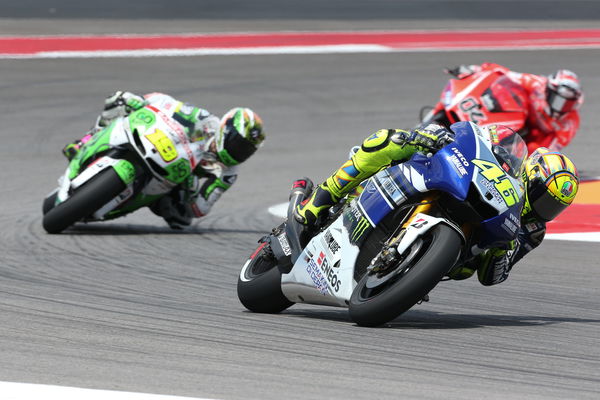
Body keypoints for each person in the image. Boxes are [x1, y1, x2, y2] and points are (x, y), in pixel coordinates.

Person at [294, 123, 579, 286]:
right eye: (544, 196)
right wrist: (437, 135)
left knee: (466, 268)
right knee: (389, 140)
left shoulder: (533, 230)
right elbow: (478, 139)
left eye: (555, 206)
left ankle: (411, 271)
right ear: (528, 177)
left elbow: (493, 278)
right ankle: (319, 201)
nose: (546, 209)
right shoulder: (507, 161)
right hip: (460, 190)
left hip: (462, 254)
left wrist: (504, 248)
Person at [62, 91, 265, 229]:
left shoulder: (228, 173)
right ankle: (84, 142)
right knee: (119, 102)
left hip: (177, 186)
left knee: (182, 222)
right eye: (239, 144)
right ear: (225, 129)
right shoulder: (204, 119)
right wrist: (141, 101)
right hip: (165, 148)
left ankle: (135, 198)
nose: (240, 153)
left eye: (246, 150)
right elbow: (168, 104)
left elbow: (201, 208)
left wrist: (191, 187)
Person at [446, 63, 583, 153]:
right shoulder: (536, 84)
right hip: (518, 116)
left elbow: (552, 149)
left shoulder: (570, 123)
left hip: (534, 137)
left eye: (567, 104)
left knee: (535, 151)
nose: (560, 107)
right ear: (549, 90)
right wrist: (473, 69)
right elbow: (505, 73)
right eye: (558, 100)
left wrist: (534, 156)